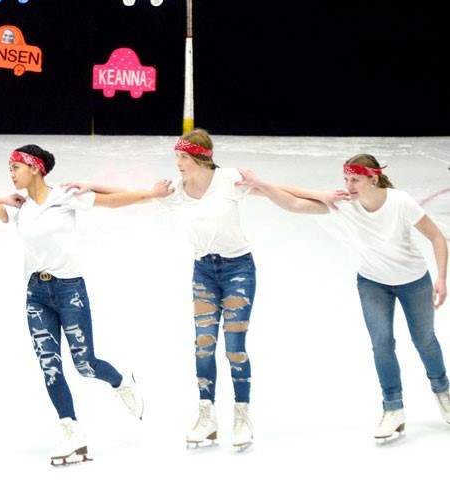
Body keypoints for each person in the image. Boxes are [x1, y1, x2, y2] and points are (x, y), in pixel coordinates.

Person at [0, 144, 157, 465]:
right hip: (36, 293)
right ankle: (71, 430)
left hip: (70, 290)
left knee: (85, 363)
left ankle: (121, 381)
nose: (10, 173)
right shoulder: (18, 207)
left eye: (15, 167)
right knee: (49, 365)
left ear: (35, 167)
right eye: (9, 168)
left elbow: (114, 202)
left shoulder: (65, 196)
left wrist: (149, 194)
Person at [63, 129, 283, 450]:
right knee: (203, 345)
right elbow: (134, 193)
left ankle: (241, 413)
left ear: (200, 158)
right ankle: (206, 414)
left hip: (238, 270)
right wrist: (90, 184)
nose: (177, 163)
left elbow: (281, 192)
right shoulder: (175, 190)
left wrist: (318, 197)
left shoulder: (229, 180)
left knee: (235, 346)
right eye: (176, 156)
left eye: (183, 157)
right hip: (204, 272)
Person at [237, 154, 450, 441]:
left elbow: (437, 237)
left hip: (414, 282)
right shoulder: (345, 203)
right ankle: (393, 408)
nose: (349, 186)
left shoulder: (400, 202)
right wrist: (259, 184)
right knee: (382, 344)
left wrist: (441, 278)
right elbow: (295, 202)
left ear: (373, 179)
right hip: (373, 282)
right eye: (346, 179)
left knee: (425, 341)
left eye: (355, 180)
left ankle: (442, 391)